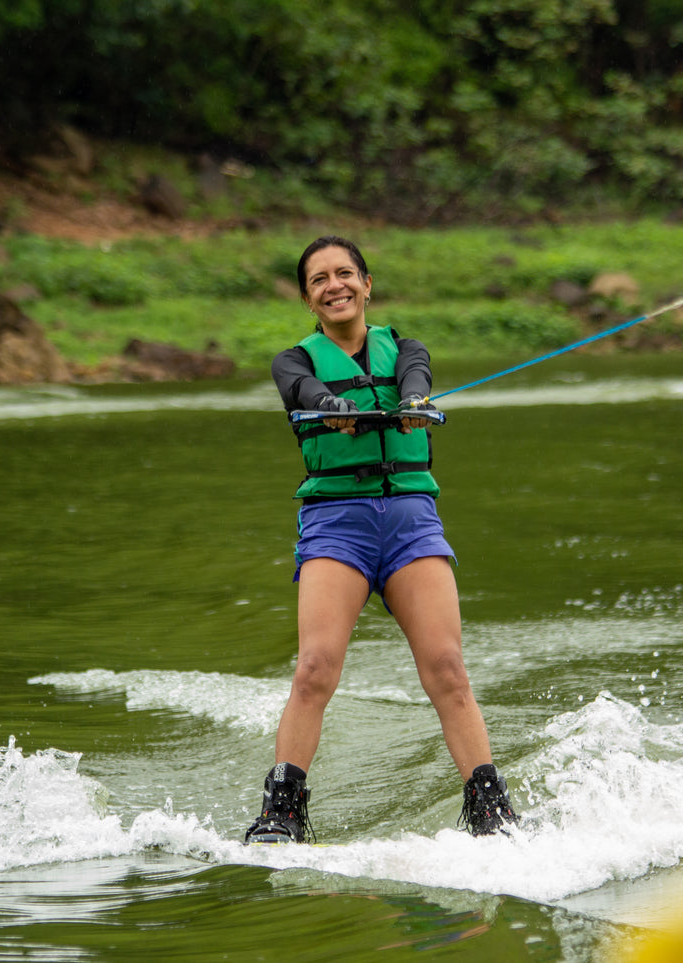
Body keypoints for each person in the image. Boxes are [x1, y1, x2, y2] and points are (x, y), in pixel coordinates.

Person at [245, 235, 518, 844]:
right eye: (320, 279)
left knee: (447, 666)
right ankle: (281, 812)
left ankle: (490, 811)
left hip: (409, 521)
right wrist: (331, 405)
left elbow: (414, 373)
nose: (334, 285)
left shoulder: (407, 350)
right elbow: (303, 393)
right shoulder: (294, 360)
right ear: (308, 298)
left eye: (346, 274)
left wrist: (415, 400)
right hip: (336, 522)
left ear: (367, 284)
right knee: (315, 667)